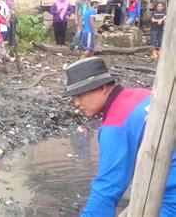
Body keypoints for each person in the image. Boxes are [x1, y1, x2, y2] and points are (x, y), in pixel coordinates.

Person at [63, 57, 176, 217]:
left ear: (102, 88)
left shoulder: (115, 126)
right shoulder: (142, 95)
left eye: (80, 95)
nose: (76, 103)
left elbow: (107, 191)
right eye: (73, 97)